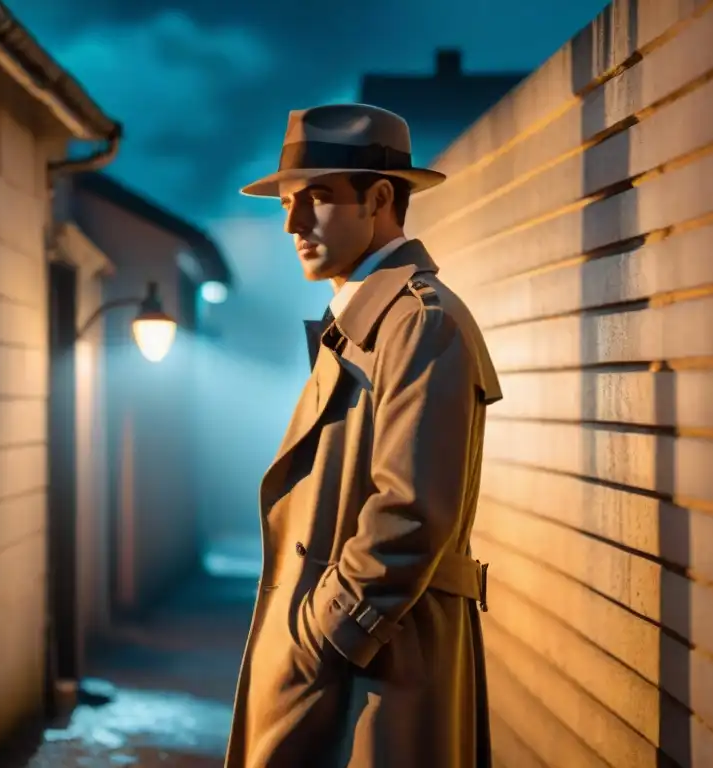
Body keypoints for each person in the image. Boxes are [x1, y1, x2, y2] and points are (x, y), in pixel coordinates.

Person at [224, 103, 503, 768]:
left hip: (378, 672)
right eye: (290, 201)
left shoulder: (419, 322)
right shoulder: (362, 320)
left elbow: (410, 511)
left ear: (379, 199)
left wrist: (326, 636)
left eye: (317, 197)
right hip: (348, 667)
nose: (293, 223)